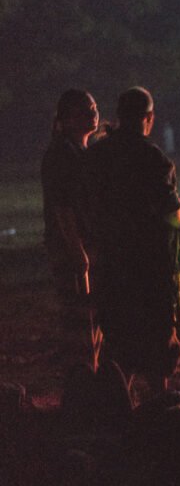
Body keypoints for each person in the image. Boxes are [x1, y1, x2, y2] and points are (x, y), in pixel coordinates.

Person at [87, 87, 180, 393]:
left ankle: (115, 410)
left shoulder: (97, 155)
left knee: (118, 338)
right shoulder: (153, 159)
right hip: (149, 267)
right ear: (149, 118)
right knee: (157, 341)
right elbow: (172, 214)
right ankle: (159, 412)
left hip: (109, 261)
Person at [41, 90, 99, 362]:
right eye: (84, 109)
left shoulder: (84, 151)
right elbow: (62, 207)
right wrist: (78, 252)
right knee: (78, 319)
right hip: (71, 249)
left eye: (94, 107)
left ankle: (93, 372)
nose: (93, 113)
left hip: (87, 244)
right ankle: (81, 379)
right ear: (67, 118)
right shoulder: (61, 155)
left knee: (93, 315)